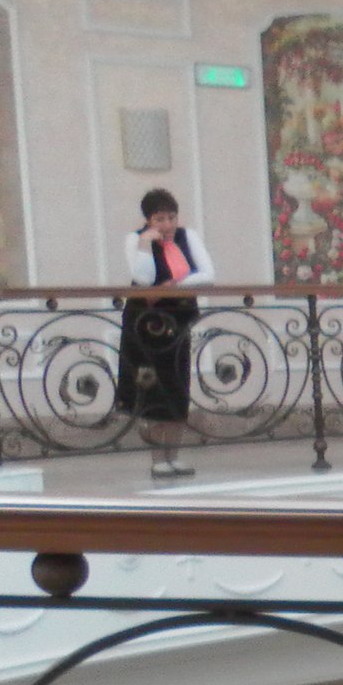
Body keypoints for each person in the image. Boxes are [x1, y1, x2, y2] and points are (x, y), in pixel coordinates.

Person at [119, 188, 214, 480]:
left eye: (171, 217)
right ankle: (158, 459)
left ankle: (174, 455)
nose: (168, 224)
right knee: (153, 389)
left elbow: (207, 274)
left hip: (177, 320)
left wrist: (173, 286)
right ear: (148, 220)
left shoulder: (188, 236)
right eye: (160, 219)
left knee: (177, 385)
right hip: (146, 323)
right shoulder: (135, 239)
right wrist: (146, 245)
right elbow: (144, 279)